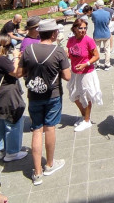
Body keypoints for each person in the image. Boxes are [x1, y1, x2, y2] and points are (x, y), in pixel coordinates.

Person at [21, 19, 71, 185]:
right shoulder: (58, 51)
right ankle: (49, 164)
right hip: (52, 94)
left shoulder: (28, 49)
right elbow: (67, 76)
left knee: (36, 129)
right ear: (54, 33)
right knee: (49, 128)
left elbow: (21, 72)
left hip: (34, 94)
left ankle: (37, 172)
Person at [0, 34, 27, 162]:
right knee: (13, 121)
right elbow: (15, 72)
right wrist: (15, 57)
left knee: (0, 122)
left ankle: (1, 149)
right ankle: (12, 152)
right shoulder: (2, 59)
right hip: (7, 95)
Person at [66, 18, 103, 132]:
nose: (83, 30)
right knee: (74, 95)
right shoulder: (71, 40)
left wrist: (85, 64)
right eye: (80, 28)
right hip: (74, 72)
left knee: (85, 96)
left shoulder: (88, 40)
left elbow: (96, 56)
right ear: (74, 29)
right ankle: (84, 116)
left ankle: (87, 121)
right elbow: (69, 54)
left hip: (86, 73)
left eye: (85, 28)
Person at [91, 0, 113, 70]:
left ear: (97, 6)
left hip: (97, 33)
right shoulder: (107, 13)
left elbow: (93, 21)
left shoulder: (94, 13)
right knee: (107, 49)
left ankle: (97, 64)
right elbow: (108, 22)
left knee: (96, 49)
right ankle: (107, 64)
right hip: (106, 33)